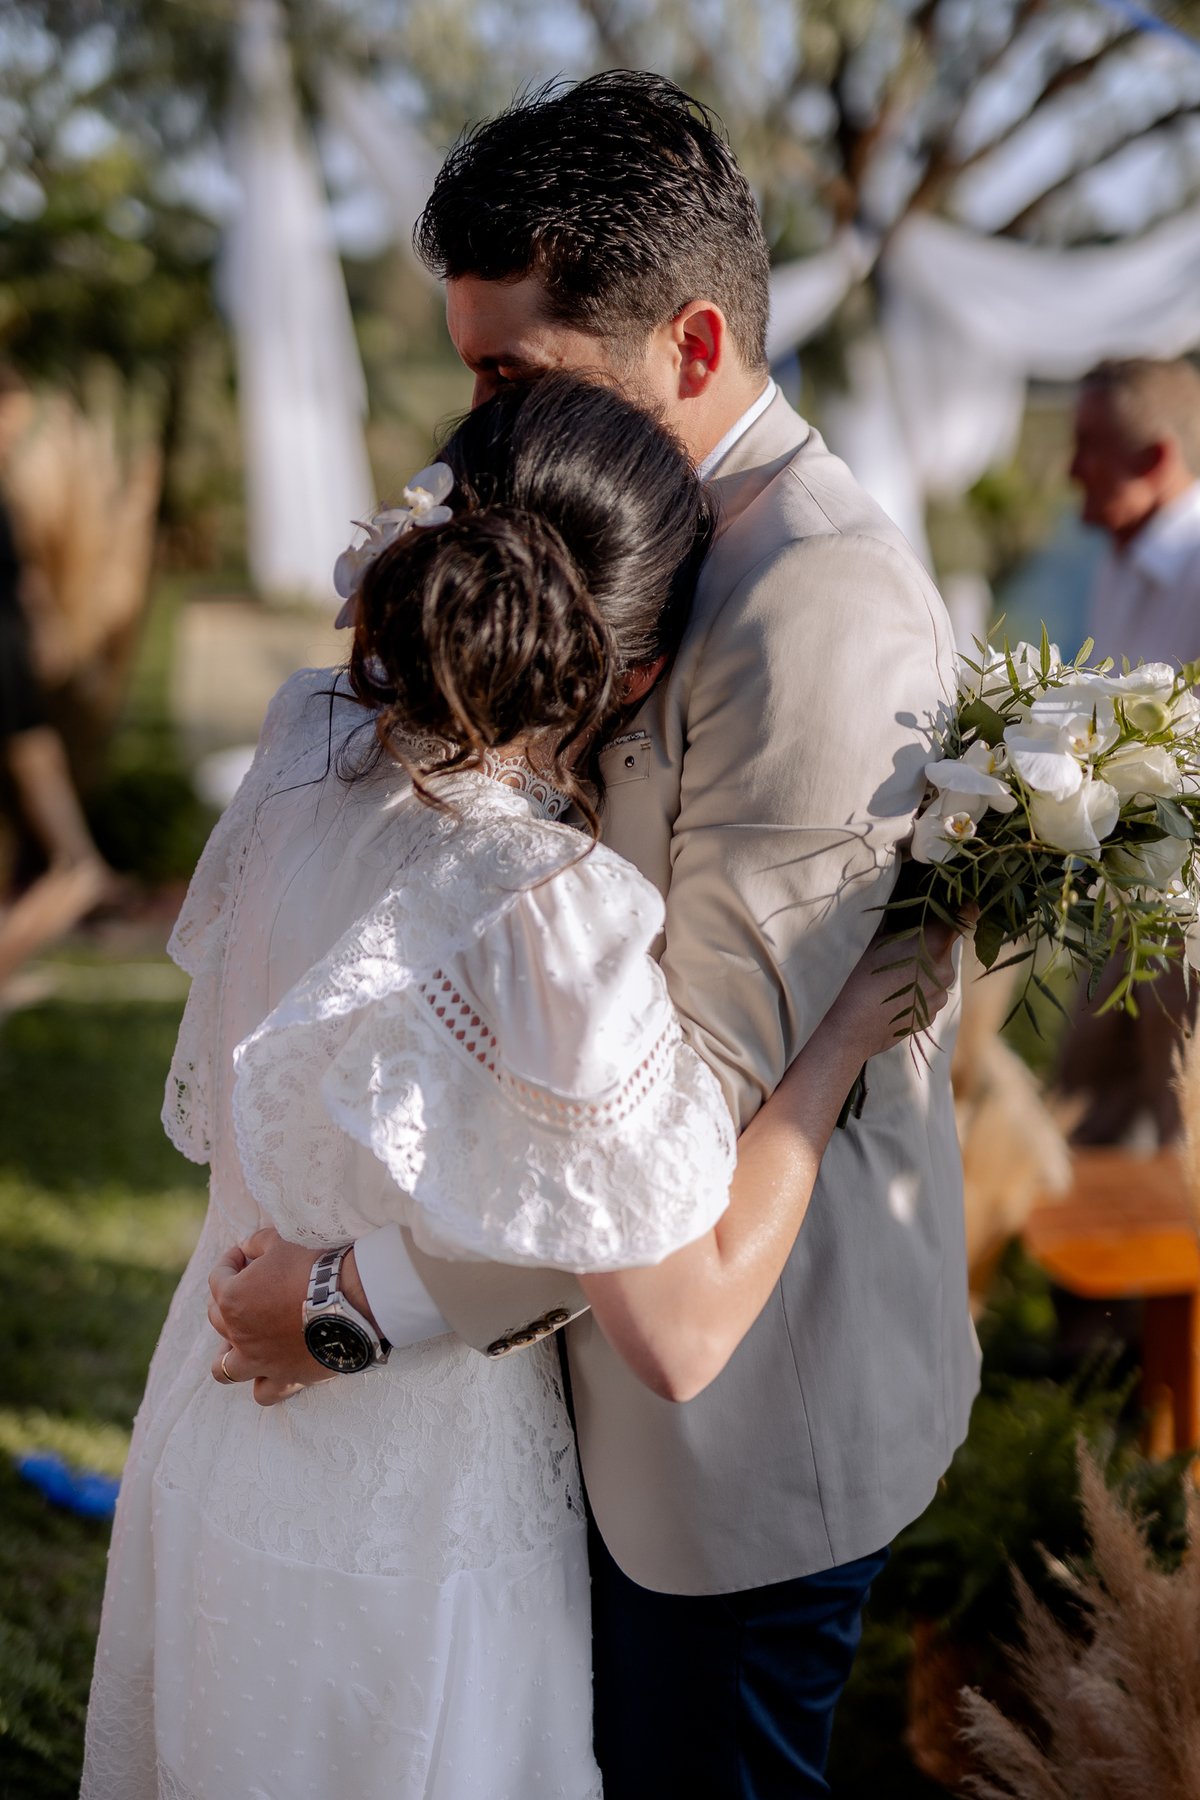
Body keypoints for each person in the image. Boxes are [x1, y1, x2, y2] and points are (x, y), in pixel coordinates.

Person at [206, 72, 978, 1796]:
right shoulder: (586, 519)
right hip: (556, 1411)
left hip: (724, 1440)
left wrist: (349, 1302)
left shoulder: (820, 609)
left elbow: (675, 1143)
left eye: (507, 377)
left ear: (695, 344)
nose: (464, 443)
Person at [1058, 357, 1200, 1146]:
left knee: (1187, 1137)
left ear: (1153, 459)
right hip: (1129, 900)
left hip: (1192, 914)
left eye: (1090, 444)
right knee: (1088, 1111)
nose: (1072, 466)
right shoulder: (1121, 557)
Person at [0, 366, 118, 985]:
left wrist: (42, 625)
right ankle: (81, 871)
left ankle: (82, 870)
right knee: (34, 756)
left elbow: (24, 572)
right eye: (9, 417)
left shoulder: (5, 481)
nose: (15, 432)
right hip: (4, 642)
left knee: (36, 755)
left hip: (11, 639)